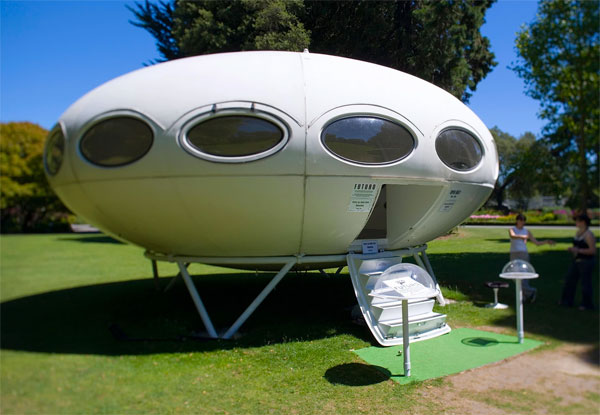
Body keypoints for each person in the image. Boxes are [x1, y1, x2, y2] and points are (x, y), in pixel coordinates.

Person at [509, 213, 555, 302]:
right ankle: (530, 291)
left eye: (523, 221)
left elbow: (536, 242)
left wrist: (546, 241)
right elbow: (512, 235)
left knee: (523, 276)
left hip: (523, 254)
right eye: (520, 220)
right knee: (513, 275)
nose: (522, 222)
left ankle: (524, 295)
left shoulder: (527, 231)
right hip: (514, 254)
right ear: (517, 221)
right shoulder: (512, 229)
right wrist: (522, 237)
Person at [559, 213, 597, 310]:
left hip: (586, 262)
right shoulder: (578, 233)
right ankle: (566, 301)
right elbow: (578, 246)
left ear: (583, 222)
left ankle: (586, 304)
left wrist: (578, 250)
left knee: (585, 283)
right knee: (569, 280)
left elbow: (593, 250)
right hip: (577, 261)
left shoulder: (588, 235)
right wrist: (573, 249)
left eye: (578, 221)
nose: (576, 223)